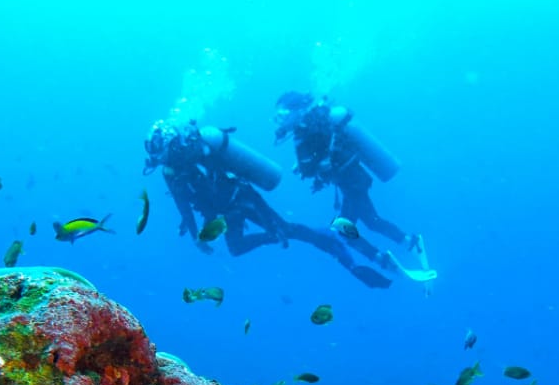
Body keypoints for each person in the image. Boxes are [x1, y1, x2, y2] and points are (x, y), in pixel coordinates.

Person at [143, 119, 394, 288]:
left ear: (169, 142)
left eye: (158, 149)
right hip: (225, 211)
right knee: (238, 247)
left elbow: (210, 183)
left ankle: (335, 246)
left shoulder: (196, 150)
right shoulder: (171, 171)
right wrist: (197, 235)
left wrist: (203, 225)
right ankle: (292, 236)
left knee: (285, 230)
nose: (157, 157)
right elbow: (182, 204)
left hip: (243, 198)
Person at [273, 92, 432, 282]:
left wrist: (309, 167)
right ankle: (408, 244)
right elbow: (321, 157)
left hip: (352, 182)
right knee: (369, 222)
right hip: (351, 180)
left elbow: (313, 163)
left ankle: (387, 256)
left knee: (345, 227)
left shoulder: (307, 127)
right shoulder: (312, 124)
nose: (281, 120)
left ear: (296, 110)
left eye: (283, 114)